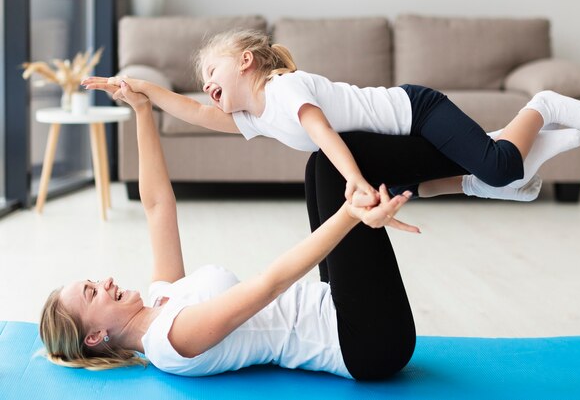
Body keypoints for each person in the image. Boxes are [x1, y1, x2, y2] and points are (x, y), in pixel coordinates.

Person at [39, 81, 421, 380]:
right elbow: (269, 283)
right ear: (94, 338)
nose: (104, 281)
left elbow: (157, 207)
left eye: (93, 281)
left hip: (339, 305)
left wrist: (142, 110)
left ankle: (465, 170)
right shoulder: (170, 341)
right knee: (332, 164)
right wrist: (349, 215)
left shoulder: (161, 301)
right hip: (364, 341)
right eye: (92, 292)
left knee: (322, 164)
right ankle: (472, 166)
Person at [81, 29, 580, 205]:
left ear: (246, 62)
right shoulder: (256, 114)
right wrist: (141, 90)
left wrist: (352, 182)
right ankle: (506, 164)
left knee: (500, 167)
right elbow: (192, 109)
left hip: (416, 113)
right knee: (403, 187)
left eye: (211, 70)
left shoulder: (283, 89)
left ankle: (542, 107)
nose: (206, 84)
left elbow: (323, 133)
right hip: (394, 143)